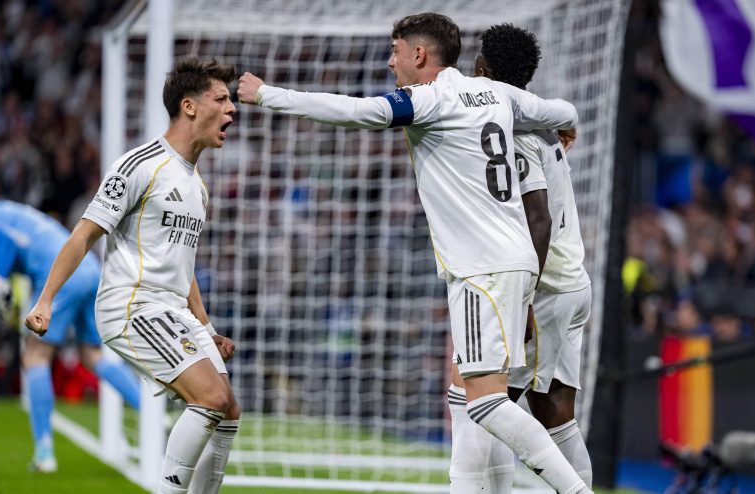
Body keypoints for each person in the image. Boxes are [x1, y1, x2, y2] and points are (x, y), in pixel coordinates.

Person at [237, 13, 590, 494]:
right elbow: (559, 108)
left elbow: (353, 110)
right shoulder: (498, 94)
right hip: (514, 264)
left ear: (419, 55)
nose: (390, 61)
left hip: (481, 269)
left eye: (396, 51)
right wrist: (568, 122)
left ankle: (575, 491)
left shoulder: (429, 100)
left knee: (485, 402)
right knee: (464, 396)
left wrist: (268, 95)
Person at [25, 57, 239, 494]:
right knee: (210, 399)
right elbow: (83, 236)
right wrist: (45, 300)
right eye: (222, 99)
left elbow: (184, 264)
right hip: (132, 305)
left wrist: (206, 326)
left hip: (173, 309)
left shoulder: (197, 186)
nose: (232, 109)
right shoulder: (139, 164)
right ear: (190, 106)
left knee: (229, 411)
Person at [447, 24, 594, 493]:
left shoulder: (516, 131)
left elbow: (539, 220)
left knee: (485, 400)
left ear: (484, 69)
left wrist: (524, 300)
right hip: (571, 280)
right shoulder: (540, 119)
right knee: (553, 414)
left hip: (545, 287)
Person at [0, 200, 141, 473]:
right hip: (88, 267)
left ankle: (44, 453)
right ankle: (151, 414)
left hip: (62, 272)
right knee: (92, 355)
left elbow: (5, 241)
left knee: (34, 356)